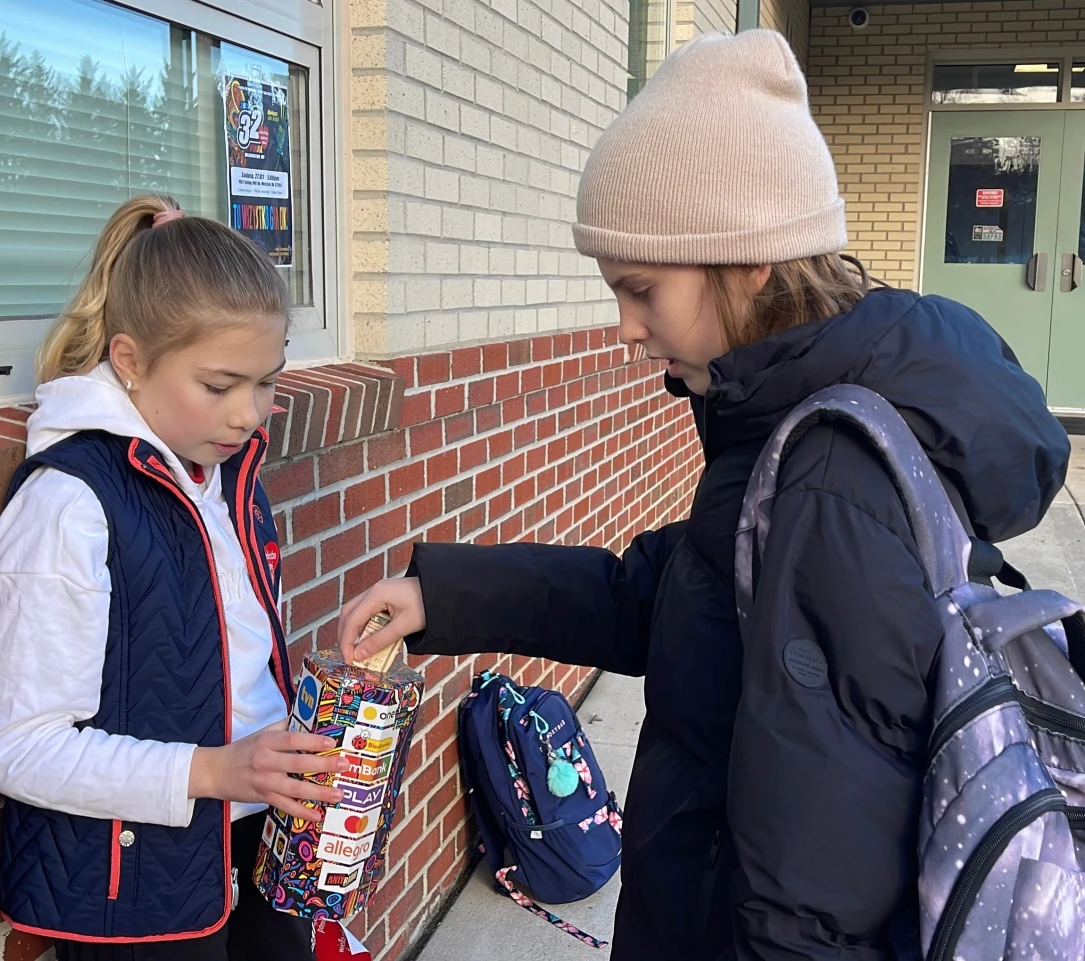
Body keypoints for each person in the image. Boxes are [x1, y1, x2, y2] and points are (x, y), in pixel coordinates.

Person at [337, 30, 1072, 961]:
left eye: (641, 288)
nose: (626, 327)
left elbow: (811, 884)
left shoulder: (826, 476)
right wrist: (446, 595)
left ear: (747, 259)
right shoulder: (786, 418)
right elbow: (675, 595)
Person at [0, 195, 346, 961]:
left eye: (268, 382)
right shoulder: (69, 501)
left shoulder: (226, 477)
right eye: (219, 385)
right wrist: (215, 768)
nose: (249, 413)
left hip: (256, 846)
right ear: (130, 360)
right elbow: (20, 746)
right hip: (139, 894)